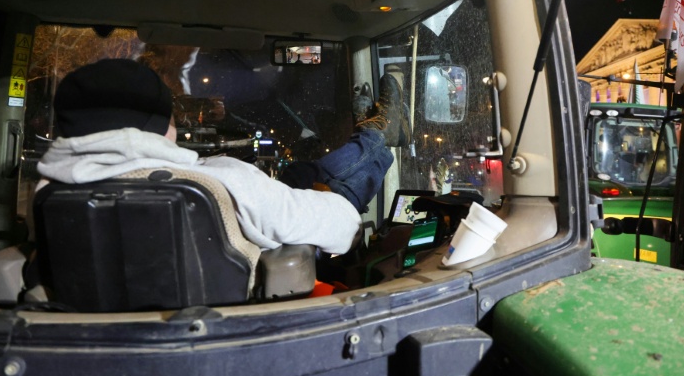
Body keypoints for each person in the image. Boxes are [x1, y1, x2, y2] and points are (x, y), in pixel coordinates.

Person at [37, 59, 411, 255]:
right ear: (157, 124)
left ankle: (369, 133)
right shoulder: (221, 181)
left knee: (297, 177)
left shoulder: (48, 193)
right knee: (331, 194)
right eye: (171, 117)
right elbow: (343, 226)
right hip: (238, 322)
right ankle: (377, 135)